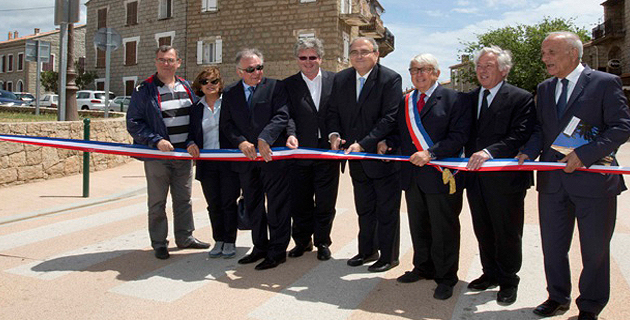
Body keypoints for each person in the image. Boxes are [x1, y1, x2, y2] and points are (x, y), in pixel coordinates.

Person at [518, 31, 630, 320]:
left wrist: (586, 154)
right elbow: (541, 130)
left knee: (594, 251)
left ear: (573, 53)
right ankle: (557, 297)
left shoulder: (605, 83)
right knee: (553, 247)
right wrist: (528, 152)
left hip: (594, 182)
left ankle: (590, 306)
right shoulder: (544, 88)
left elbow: (620, 128)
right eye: (544, 53)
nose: (544, 59)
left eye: (550, 52)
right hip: (553, 184)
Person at [392, 53, 471, 300]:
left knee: (443, 228)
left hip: (442, 175)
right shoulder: (405, 101)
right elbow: (399, 133)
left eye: (424, 69)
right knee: (419, 225)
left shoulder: (455, 99)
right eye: (414, 70)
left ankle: (446, 277)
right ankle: (423, 267)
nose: (418, 74)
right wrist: (387, 143)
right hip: (414, 176)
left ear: (436, 73)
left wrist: (431, 152)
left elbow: (459, 136)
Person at [463, 45, 535, 304]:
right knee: (483, 228)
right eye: (479, 66)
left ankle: (508, 280)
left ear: (504, 70)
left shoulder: (521, 97)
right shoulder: (469, 98)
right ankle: (489, 273)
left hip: (506, 180)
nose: (482, 71)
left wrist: (488, 151)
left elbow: (520, 135)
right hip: (475, 178)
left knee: (507, 231)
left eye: (489, 66)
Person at [326, 37, 402, 273]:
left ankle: (389, 257)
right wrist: (334, 135)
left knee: (386, 210)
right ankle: (367, 250)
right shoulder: (341, 79)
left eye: (364, 51)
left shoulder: (390, 79)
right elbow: (333, 112)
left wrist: (365, 144)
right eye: (354, 52)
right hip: (356, 159)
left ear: (376, 54)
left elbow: (390, 118)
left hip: (381, 157)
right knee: (365, 208)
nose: (359, 56)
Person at [127, 45, 210, 260]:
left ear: (178, 62)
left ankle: (185, 237)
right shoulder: (143, 90)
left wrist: (192, 141)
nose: (166, 64)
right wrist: (156, 141)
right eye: (162, 60)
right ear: (156, 62)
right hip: (158, 156)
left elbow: (196, 119)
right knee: (157, 202)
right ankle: (159, 243)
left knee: (184, 200)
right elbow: (134, 122)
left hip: (183, 156)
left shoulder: (186, 87)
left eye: (170, 60)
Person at [220, 48, 292, 270]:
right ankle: (259, 247)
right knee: (253, 205)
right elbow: (226, 125)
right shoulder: (230, 92)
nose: (256, 72)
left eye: (259, 67)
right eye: (250, 69)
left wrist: (264, 138)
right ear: (240, 71)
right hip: (245, 160)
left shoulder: (276, 87)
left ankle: (278, 251)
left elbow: (282, 115)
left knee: (277, 206)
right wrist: (241, 142)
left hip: (271, 158)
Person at [284, 38, 339, 261]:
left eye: (312, 57)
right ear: (297, 60)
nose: (308, 62)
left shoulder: (335, 81)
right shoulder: (287, 85)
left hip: (326, 149)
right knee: (300, 200)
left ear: (320, 59)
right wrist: (291, 134)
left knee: (326, 200)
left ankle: (323, 241)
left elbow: (338, 112)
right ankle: (302, 241)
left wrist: (335, 133)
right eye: (303, 57)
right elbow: (286, 115)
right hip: (299, 150)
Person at [187, 66, 241, 258]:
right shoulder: (195, 109)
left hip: (228, 161)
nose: (210, 85)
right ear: (199, 86)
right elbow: (190, 134)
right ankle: (218, 240)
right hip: (207, 163)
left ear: (220, 84)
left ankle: (230, 241)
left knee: (228, 202)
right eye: (205, 82)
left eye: (214, 81)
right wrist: (191, 143)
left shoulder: (229, 104)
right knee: (214, 204)